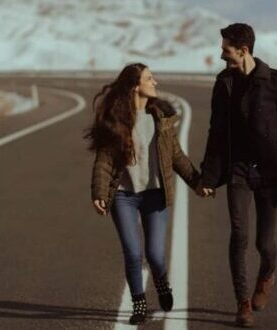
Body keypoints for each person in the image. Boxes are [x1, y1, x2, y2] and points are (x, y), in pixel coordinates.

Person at [196, 23, 277, 328]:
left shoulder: (276, 81)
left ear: (243, 50)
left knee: (264, 243)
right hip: (239, 170)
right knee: (239, 235)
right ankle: (242, 304)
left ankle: (268, 273)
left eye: (226, 50)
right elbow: (216, 131)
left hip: (271, 171)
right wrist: (208, 177)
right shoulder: (224, 83)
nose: (222, 56)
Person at [85, 63, 201, 325]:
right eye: (150, 78)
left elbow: (176, 156)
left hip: (155, 195)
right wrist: (99, 193)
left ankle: (161, 283)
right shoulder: (115, 121)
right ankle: (139, 303)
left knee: (156, 255)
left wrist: (197, 183)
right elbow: (103, 161)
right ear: (135, 85)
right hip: (124, 196)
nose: (155, 82)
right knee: (133, 253)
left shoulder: (161, 118)